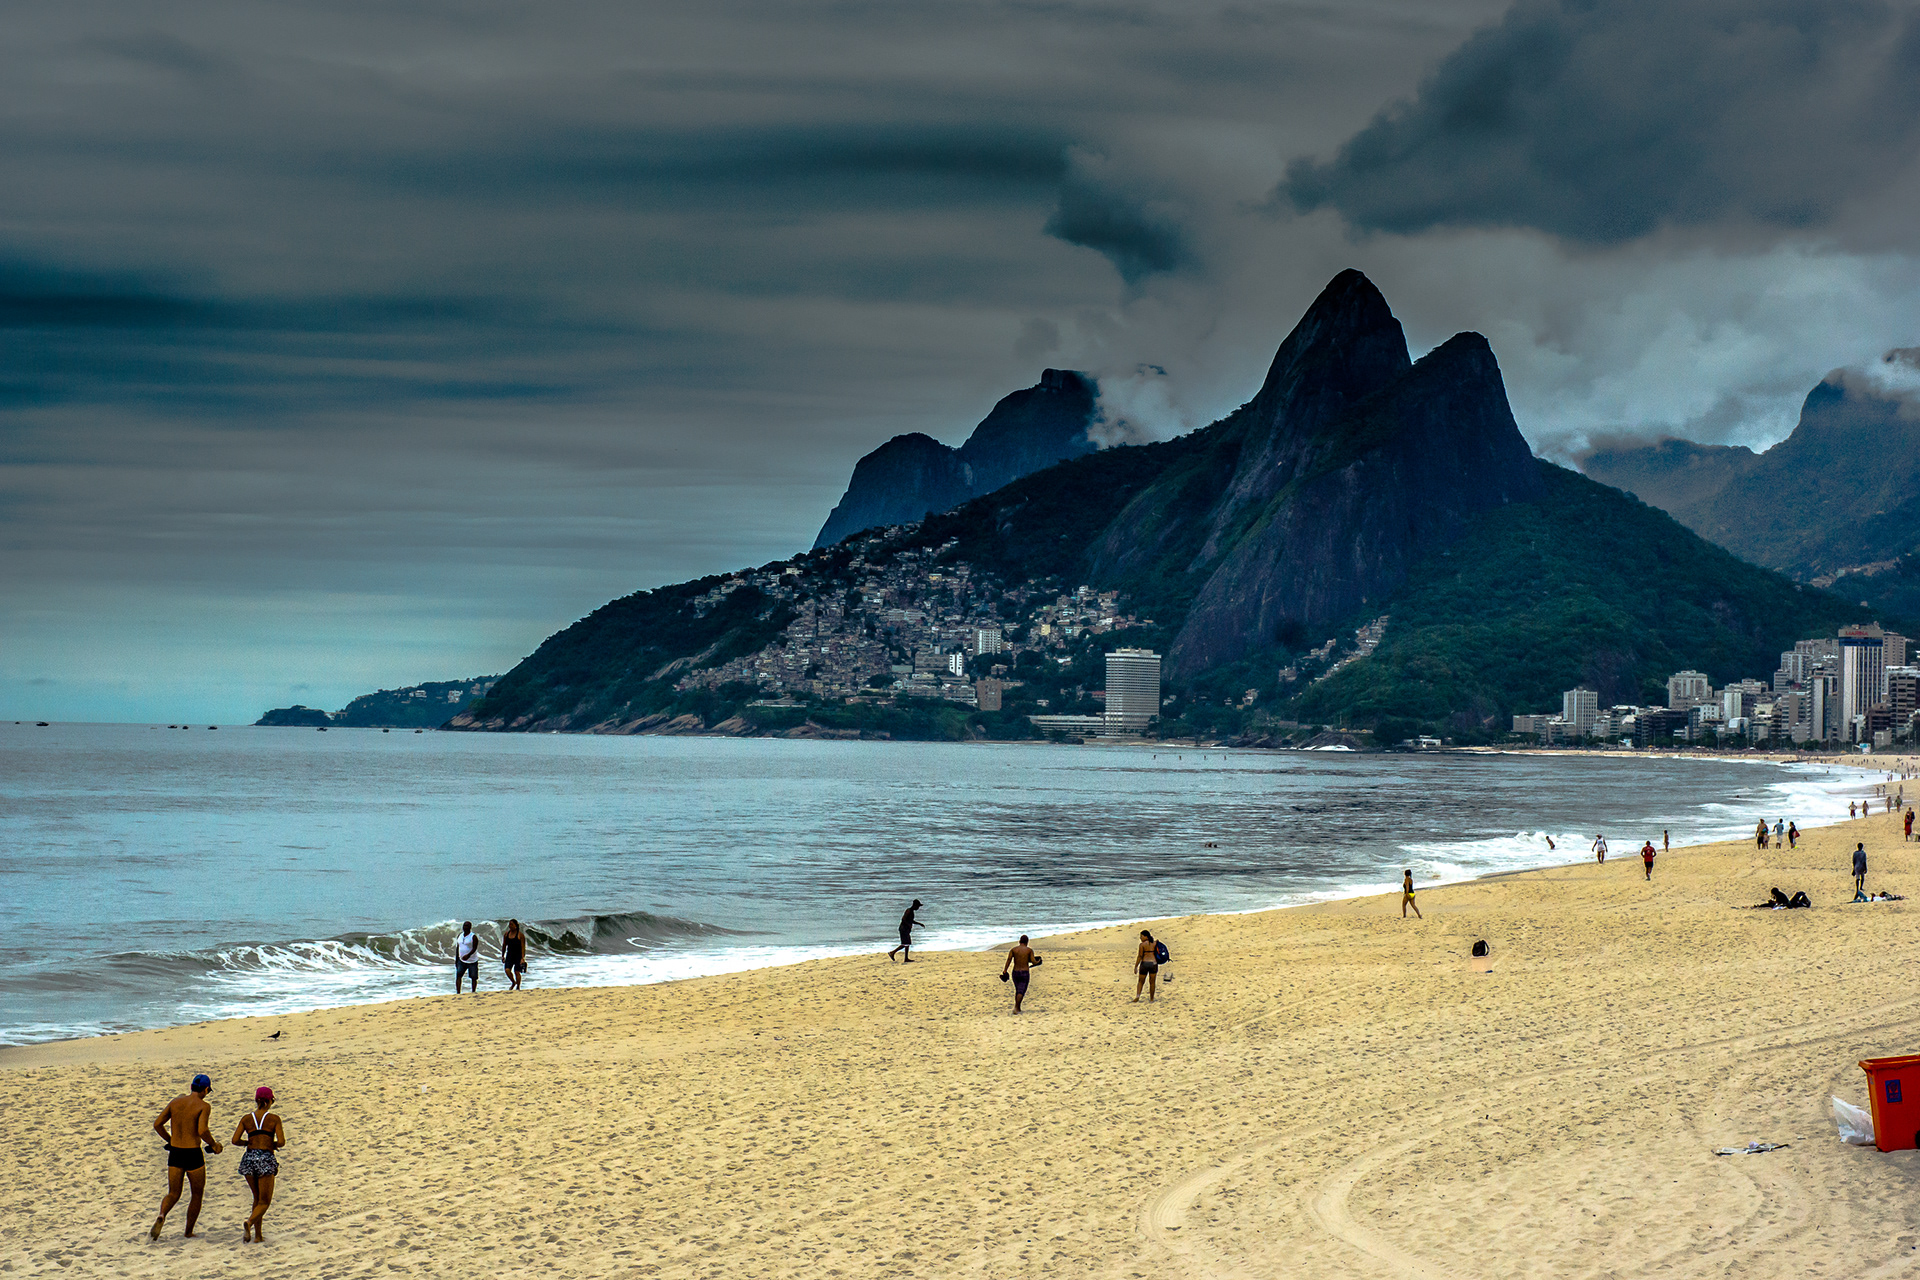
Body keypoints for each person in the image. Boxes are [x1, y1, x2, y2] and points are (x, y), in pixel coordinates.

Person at [150, 1074, 223, 1240]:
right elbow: (202, 1130)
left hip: (175, 1152)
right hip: (192, 1153)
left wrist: (170, 1140)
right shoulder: (203, 1106)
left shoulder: (176, 1102)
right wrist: (214, 1145)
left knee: (173, 1193)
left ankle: (162, 1214)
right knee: (197, 1194)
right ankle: (188, 1231)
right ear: (206, 1089)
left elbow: (157, 1124)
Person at [232, 1086, 284, 1243]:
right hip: (265, 1159)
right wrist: (271, 1144)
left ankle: (258, 1235)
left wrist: (247, 1142)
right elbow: (281, 1142)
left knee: (257, 1198)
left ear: (256, 1101)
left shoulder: (247, 1119)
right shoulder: (274, 1119)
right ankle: (249, 1222)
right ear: (270, 1101)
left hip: (249, 1158)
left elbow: (235, 1140)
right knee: (265, 1201)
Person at [1000, 935, 1038, 1013]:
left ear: (1019, 941)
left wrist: (1005, 971)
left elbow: (1008, 960)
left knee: (1018, 990)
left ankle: (1018, 1007)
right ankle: (1016, 1008)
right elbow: (1033, 961)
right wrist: (1038, 962)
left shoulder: (1014, 950)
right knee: (1021, 991)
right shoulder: (1029, 950)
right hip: (1024, 972)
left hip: (1015, 972)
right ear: (1027, 942)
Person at [1133, 929, 1160, 1002]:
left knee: (1141, 981)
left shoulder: (1142, 945)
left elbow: (1140, 956)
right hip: (1153, 963)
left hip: (1145, 963)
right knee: (1152, 982)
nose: (1140, 938)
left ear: (1146, 936)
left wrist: (1136, 966)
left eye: (1141, 936)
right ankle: (1151, 998)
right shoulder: (1154, 943)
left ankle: (1138, 995)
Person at [455, 921, 481, 993]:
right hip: (461, 960)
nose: (465, 927)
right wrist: (457, 959)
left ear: (470, 927)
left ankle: (473, 991)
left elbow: (474, 948)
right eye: (464, 926)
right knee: (458, 976)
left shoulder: (473, 936)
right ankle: (458, 992)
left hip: (472, 961)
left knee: (473, 977)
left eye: (467, 926)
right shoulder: (460, 936)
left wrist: (468, 955)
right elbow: (458, 947)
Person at [501, 919, 527, 991]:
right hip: (509, 955)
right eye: (509, 924)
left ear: (516, 926)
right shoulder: (506, 934)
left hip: (518, 956)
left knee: (517, 972)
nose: (510, 926)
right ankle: (513, 982)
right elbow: (504, 945)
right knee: (507, 970)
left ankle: (518, 986)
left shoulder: (520, 935)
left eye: (512, 924)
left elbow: (523, 947)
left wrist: (522, 958)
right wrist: (502, 955)